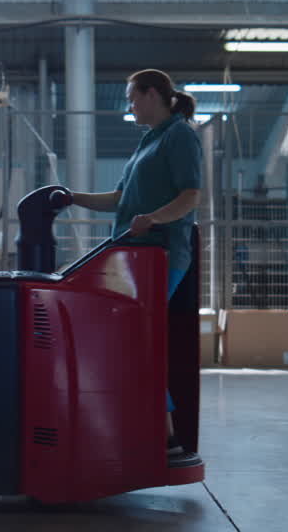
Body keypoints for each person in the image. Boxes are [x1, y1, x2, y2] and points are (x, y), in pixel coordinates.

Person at [65, 68, 203, 467]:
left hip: (159, 257)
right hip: (133, 257)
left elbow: (190, 196)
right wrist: (71, 196)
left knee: (137, 342)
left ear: (153, 94)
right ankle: (137, 428)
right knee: (126, 341)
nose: (129, 104)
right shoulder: (149, 141)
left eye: (132, 97)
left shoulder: (180, 136)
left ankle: (167, 438)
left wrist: (156, 218)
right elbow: (118, 200)